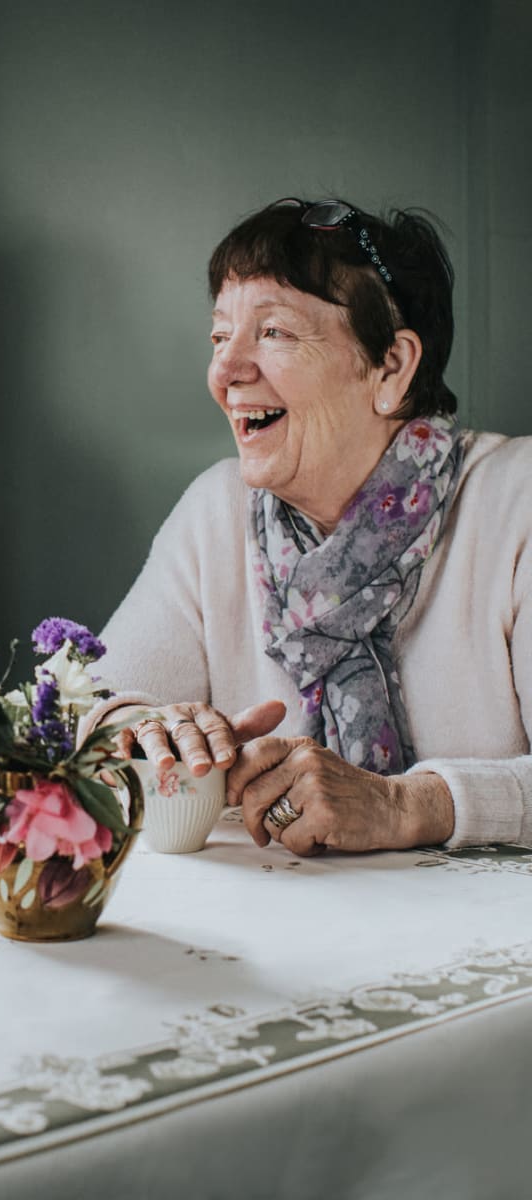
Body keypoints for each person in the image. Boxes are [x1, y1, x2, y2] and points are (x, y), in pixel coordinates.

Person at [87, 197, 532, 856]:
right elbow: (84, 711)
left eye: (273, 333)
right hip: (277, 945)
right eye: (219, 336)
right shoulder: (218, 509)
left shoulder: (515, 501)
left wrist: (409, 805)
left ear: (391, 367)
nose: (226, 371)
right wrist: (142, 727)